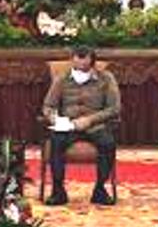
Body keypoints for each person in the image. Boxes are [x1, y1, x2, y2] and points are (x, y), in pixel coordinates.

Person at [42, 46, 120, 206]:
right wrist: (53, 118)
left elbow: (114, 108)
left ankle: (99, 190)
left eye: (85, 59)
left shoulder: (106, 78)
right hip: (68, 126)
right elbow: (48, 106)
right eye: (77, 58)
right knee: (56, 142)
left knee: (108, 143)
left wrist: (90, 120)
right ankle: (58, 191)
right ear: (72, 59)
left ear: (92, 61)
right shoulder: (62, 79)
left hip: (96, 126)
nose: (81, 63)